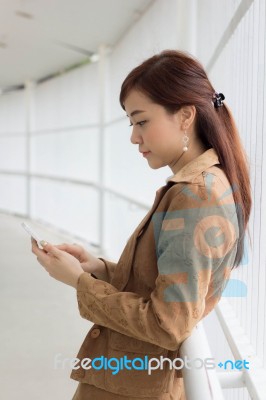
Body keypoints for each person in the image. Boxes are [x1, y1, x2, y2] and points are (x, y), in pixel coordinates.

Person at [31, 50, 251, 400]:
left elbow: (167, 323)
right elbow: (163, 284)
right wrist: (96, 268)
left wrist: (77, 281)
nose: (134, 137)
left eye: (142, 121)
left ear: (185, 116)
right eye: (131, 124)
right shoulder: (198, 186)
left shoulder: (198, 195)